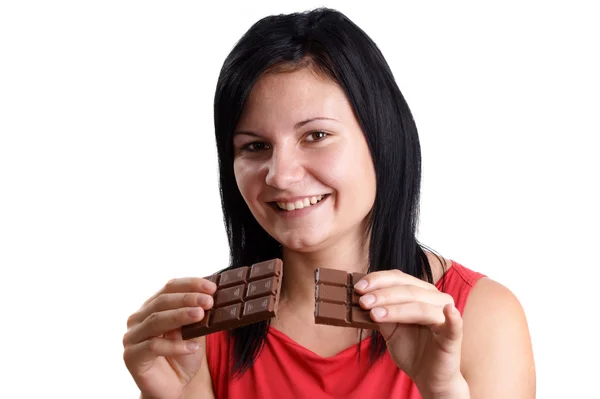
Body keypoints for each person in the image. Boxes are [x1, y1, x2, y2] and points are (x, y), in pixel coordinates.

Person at [122, 7, 535, 398]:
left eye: (316, 135)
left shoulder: (482, 317)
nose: (280, 175)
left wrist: (442, 392)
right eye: (255, 145)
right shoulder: (196, 331)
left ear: (381, 138)